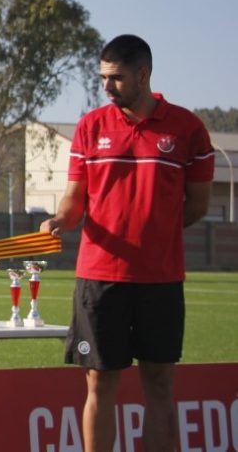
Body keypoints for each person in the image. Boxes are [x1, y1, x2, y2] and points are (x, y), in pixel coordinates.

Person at [40, 34, 214, 452]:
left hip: (161, 279)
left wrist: (153, 235)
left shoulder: (188, 129)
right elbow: (74, 200)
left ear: (143, 74)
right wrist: (59, 221)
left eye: (115, 78)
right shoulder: (90, 127)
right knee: (100, 382)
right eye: (102, 78)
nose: (106, 87)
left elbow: (197, 206)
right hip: (99, 278)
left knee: (159, 383)